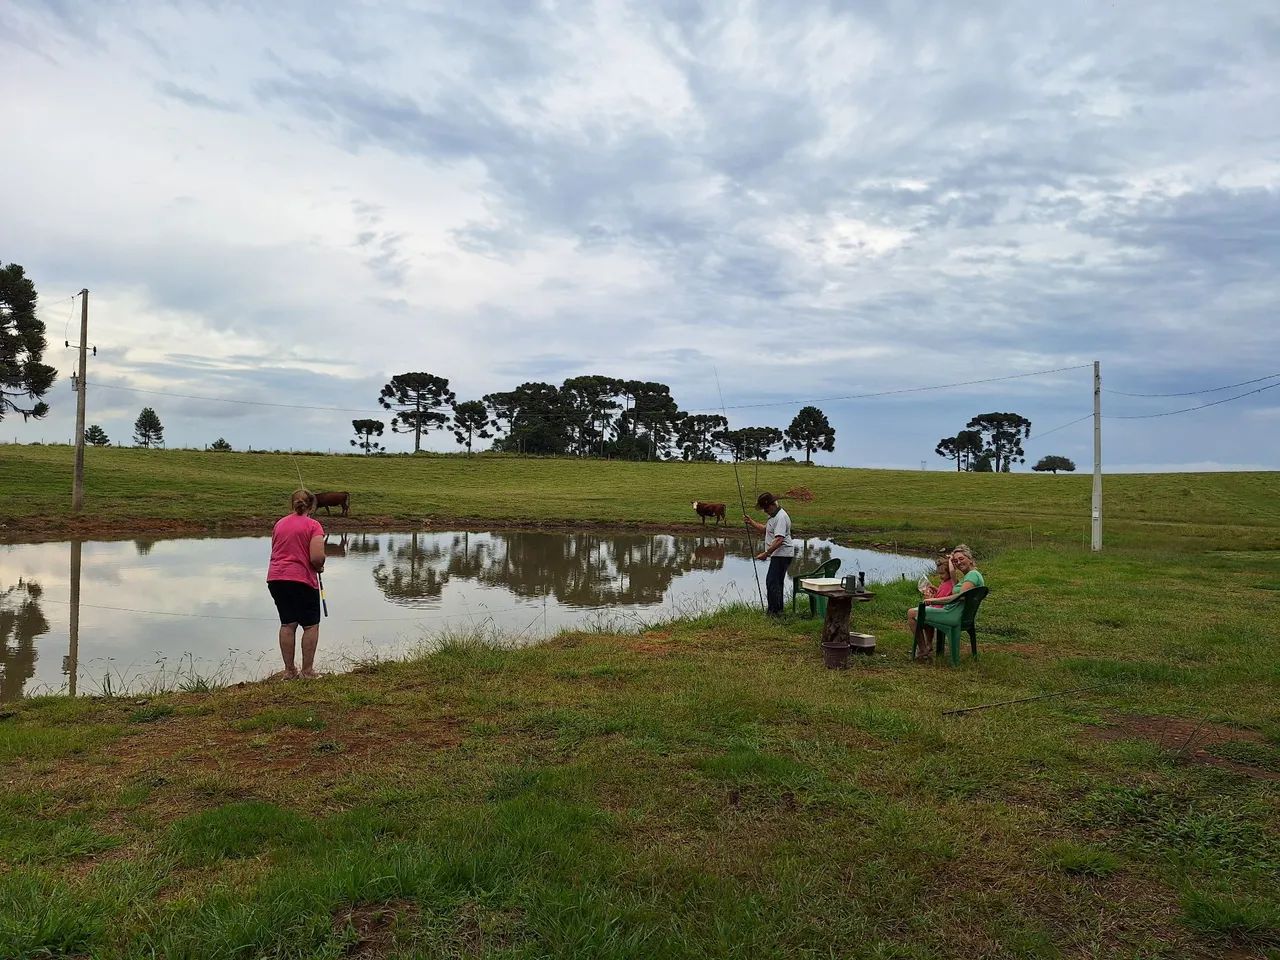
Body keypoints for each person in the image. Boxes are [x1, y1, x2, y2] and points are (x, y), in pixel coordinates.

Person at [266, 488, 326, 678]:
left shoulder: (279, 524)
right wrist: (320, 567)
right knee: (310, 625)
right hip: (301, 579)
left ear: (292, 504)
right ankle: (307, 671)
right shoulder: (314, 525)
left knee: (287, 624)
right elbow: (317, 557)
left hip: (276, 579)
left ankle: (289, 670)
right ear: (312, 506)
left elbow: (276, 549)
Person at [912, 544, 985, 661]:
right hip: (960, 614)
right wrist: (951, 561)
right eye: (956, 561)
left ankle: (923, 649)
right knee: (921, 611)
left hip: (953, 615)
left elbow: (958, 597)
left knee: (911, 613)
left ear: (970, 559)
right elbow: (953, 577)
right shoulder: (971, 575)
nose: (958, 562)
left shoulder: (972, 576)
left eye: (961, 559)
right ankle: (927, 647)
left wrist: (932, 600)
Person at [744, 491, 795, 616]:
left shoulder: (780, 517)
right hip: (779, 555)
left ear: (772, 505)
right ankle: (777, 611)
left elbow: (779, 539)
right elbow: (765, 530)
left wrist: (766, 553)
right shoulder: (774, 516)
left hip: (782, 554)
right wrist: (751, 522)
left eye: (765, 508)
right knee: (776, 582)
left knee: (772, 582)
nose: (764, 511)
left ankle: (774, 613)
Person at [906, 555, 954, 658]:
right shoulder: (947, 583)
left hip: (941, 612)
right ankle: (928, 645)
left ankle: (923, 648)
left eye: (943, 573)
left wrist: (930, 598)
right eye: (939, 574)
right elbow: (943, 596)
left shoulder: (949, 584)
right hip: (943, 609)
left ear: (950, 572)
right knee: (925, 616)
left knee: (913, 614)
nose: (940, 576)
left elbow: (941, 601)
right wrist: (936, 590)